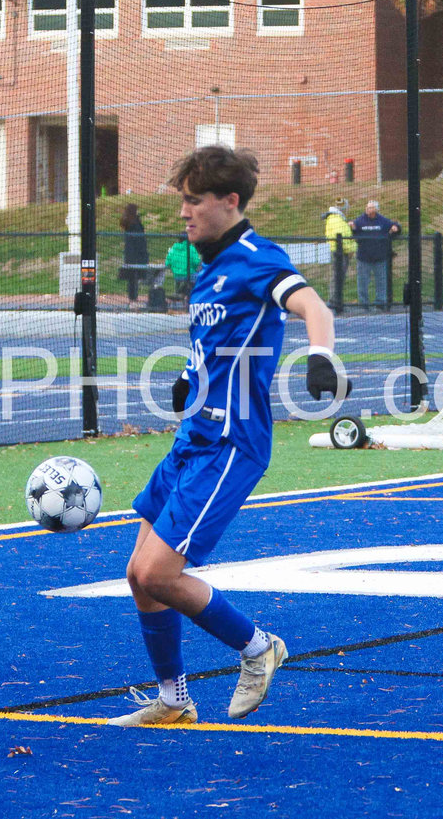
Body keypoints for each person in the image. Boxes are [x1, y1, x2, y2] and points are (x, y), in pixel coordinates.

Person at [110, 145, 352, 727]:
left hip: (231, 443)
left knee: (158, 574)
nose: (184, 212)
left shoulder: (256, 258)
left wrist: (321, 356)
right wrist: (188, 379)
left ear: (230, 201)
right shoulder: (210, 270)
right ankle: (172, 700)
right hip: (195, 436)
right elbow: (216, 348)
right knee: (138, 577)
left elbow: (312, 305)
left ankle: (258, 648)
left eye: (194, 201)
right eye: (183, 201)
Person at [350, 200, 400, 311]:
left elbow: (394, 225)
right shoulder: (360, 220)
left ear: (376, 209)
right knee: (362, 282)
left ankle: (380, 303)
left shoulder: (382, 221)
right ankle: (363, 304)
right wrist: (352, 227)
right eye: (367, 207)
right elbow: (354, 231)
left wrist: (396, 227)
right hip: (364, 258)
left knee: (381, 282)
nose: (368, 209)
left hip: (380, 258)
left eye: (371, 207)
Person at [120, 203, 149, 302]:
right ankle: (133, 298)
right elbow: (140, 240)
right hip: (136, 253)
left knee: (132, 278)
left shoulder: (131, 222)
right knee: (133, 277)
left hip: (130, 253)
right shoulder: (134, 223)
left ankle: (132, 297)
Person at [322, 199, 356, 279]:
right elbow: (341, 239)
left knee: (338, 278)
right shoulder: (337, 220)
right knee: (337, 279)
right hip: (339, 252)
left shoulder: (338, 219)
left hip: (340, 252)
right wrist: (351, 250)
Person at [164, 232, 201, 298]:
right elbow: (196, 263)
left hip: (176, 275)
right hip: (189, 276)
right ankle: (192, 295)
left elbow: (167, 263)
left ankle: (178, 292)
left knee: (184, 278)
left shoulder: (173, 248)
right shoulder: (191, 248)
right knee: (200, 275)